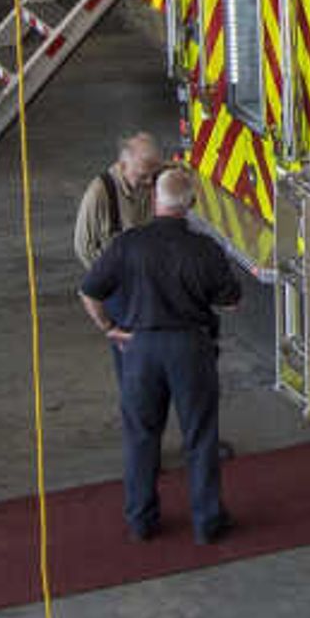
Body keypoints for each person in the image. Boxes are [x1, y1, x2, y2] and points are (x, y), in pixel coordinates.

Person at [76, 164, 243, 543]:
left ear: (155, 200)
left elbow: (89, 291)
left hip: (140, 348)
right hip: (190, 348)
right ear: (191, 204)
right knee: (200, 437)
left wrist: (109, 329)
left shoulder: (128, 244)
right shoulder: (205, 249)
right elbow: (231, 301)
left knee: (140, 434)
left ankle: (141, 520)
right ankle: (206, 522)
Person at [73, 130, 165, 272]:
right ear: (123, 166)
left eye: (153, 175)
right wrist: (110, 276)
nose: (149, 181)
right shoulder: (100, 193)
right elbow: (84, 248)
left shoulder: (151, 177)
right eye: (143, 176)